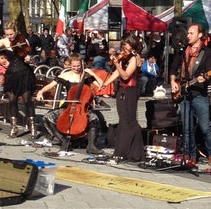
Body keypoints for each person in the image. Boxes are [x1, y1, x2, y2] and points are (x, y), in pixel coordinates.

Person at [169, 23, 211, 167]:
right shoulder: (183, 50)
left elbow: (209, 73)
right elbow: (172, 68)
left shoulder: (207, 53)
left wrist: (205, 78)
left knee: (204, 127)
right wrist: (173, 82)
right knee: (187, 128)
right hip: (183, 94)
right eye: (188, 33)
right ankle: (191, 155)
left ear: (200, 35)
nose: (188, 36)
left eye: (191, 33)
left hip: (199, 94)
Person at [35, 54, 104, 153]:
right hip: (68, 106)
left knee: (94, 118)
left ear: (82, 65)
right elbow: (50, 85)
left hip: (82, 108)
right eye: (74, 66)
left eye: (78, 66)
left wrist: (93, 74)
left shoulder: (86, 76)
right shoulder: (65, 76)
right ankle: (63, 141)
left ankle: (91, 145)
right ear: (70, 65)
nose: (76, 68)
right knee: (48, 117)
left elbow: (102, 85)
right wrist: (40, 92)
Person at [0, 21, 37, 139]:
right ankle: (13, 127)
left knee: (27, 100)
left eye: (11, 34)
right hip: (12, 74)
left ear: (16, 31)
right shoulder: (4, 41)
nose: (9, 37)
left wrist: (27, 58)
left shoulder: (22, 40)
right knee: (12, 99)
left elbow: (27, 55)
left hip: (24, 73)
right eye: (7, 34)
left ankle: (33, 127)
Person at [102, 33, 145, 163]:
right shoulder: (125, 57)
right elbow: (117, 73)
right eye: (123, 44)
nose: (123, 47)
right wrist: (106, 82)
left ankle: (126, 152)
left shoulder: (135, 57)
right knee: (124, 120)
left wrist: (117, 64)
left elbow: (126, 75)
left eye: (125, 44)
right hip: (122, 89)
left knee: (129, 121)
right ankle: (131, 152)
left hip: (131, 90)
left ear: (132, 44)